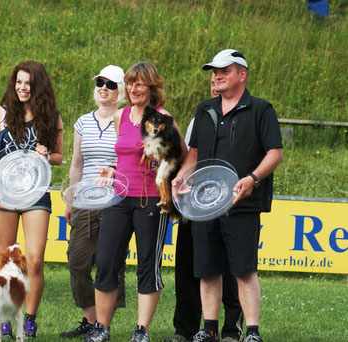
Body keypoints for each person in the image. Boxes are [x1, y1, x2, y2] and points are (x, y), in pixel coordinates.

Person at [172, 49, 283, 342]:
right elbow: (194, 152)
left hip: (242, 203)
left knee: (244, 270)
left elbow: (275, 153)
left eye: (224, 70)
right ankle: (208, 329)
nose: (217, 76)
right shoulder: (204, 109)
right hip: (204, 202)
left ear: (242, 74)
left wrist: (253, 178)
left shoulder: (261, 109)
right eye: (214, 72)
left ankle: (252, 332)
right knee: (207, 269)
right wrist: (183, 175)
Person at [87, 62, 187, 342]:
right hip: (119, 198)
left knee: (147, 264)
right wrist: (112, 169)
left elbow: (182, 154)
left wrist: (172, 179)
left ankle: (141, 331)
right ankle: (101, 329)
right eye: (130, 84)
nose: (133, 89)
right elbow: (124, 155)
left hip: (150, 201)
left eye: (139, 84)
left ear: (152, 88)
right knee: (106, 261)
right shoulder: (120, 116)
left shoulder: (162, 117)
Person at [0, 60, 63, 338]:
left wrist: (46, 155)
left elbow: (59, 157)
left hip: (37, 192)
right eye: (18, 82)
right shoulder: (0, 113)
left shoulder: (52, 117)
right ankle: (5, 316)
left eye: (27, 83)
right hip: (3, 191)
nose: (22, 88)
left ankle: (29, 319)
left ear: (38, 86)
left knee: (35, 259)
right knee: (4, 260)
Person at [165, 73, 244, 342]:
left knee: (230, 268)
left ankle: (232, 329)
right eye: (211, 83)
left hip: (227, 202)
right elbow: (191, 155)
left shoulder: (242, 118)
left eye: (219, 81)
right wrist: (180, 180)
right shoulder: (200, 116)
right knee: (188, 266)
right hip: (195, 203)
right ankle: (184, 329)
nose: (214, 86)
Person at [59, 65, 127, 339]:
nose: (103, 88)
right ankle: (92, 321)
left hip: (114, 200)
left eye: (110, 84)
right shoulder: (83, 122)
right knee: (77, 261)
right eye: (100, 82)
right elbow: (77, 163)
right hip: (85, 200)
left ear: (120, 90)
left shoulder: (126, 118)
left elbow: (129, 158)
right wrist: (70, 199)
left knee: (109, 263)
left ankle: (102, 327)